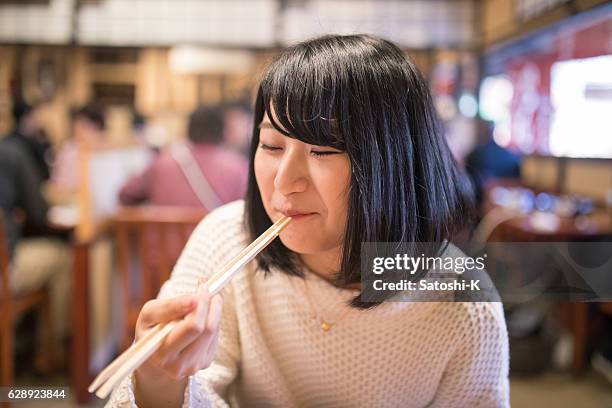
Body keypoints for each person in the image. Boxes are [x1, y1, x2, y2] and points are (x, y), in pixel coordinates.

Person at [108, 35, 509, 407]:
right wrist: (160, 381)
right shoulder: (225, 238)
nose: (284, 181)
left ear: (395, 163)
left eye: (321, 150)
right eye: (271, 145)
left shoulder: (462, 304)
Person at [0, 134, 71, 367]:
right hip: (4, 274)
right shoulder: (10, 153)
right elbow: (38, 211)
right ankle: (50, 353)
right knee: (62, 257)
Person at [118, 106, 248, 210]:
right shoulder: (237, 166)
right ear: (222, 132)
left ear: (188, 129)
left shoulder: (162, 162)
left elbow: (125, 195)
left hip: (163, 242)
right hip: (215, 242)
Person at [49, 104, 106, 202]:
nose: (77, 129)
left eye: (84, 126)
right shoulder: (69, 149)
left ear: (97, 127)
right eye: (77, 125)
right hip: (70, 202)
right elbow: (60, 183)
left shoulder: (103, 152)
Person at [5, 100, 53, 181]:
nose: (37, 121)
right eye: (33, 117)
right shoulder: (18, 144)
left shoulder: (7, 142)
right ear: (25, 118)